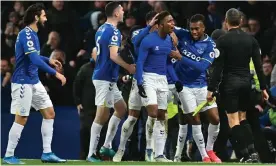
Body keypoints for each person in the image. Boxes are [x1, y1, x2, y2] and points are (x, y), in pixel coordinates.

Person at [3, 3, 67, 164]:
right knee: (22, 118)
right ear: (36, 17)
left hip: (33, 81)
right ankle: (9, 155)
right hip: (23, 82)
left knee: (49, 113)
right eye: (44, 15)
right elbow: (33, 59)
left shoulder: (33, 34)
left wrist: (49, 60)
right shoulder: (26, 34)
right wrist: (56, 74)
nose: (46, 18)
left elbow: (35, 56)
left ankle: (47, 153)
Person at [207, 8, 269, 163]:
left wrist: (211, 89)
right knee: (243, 118)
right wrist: (263, 88)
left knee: (233, 121)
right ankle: (253, 153)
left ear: (226, 22)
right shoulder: (251, 40)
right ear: (241, 21)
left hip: (230, 85)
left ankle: (247, 154)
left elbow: (217, 68)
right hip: (246, 84)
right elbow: (258, 66)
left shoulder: (222, 41)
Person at [87, 2, 136, 162]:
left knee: (121, 109)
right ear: (116, 13)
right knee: (101, 116)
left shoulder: (101, 29)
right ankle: (91, 154)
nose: (123, 12)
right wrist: (128, 67)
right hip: (105, 78)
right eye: (121, 10)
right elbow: (113, 56)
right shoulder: (114, 32)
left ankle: (107, 145)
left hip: (106, 77)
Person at [170, 14, 221, 163]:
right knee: (194, 119)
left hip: (202, 86)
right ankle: (204, 155)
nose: (193, 32)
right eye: (191, 29)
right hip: (184, 86)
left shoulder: (210, 45)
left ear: (204, 28)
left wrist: (180, 57)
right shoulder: (184, 34)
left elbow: (202, 67)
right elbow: (169, 26)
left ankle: (210, 149)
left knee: (215, 119)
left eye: (197, 29)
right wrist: (171, 33)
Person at [112, 11, 159, 162]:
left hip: (153, 81)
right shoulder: (138, 33)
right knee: (132, 118)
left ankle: (148, 152)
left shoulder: (161, 38)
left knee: (151, 117)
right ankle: (122, 151)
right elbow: (136, 39)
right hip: (135, 84)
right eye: (154, 21)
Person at [136, 11, 175, 162]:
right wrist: (140, 81)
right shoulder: (148, 40)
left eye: (173, 21)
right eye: (169, 21)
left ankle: (160, 154)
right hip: (148, 77)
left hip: (162, 79)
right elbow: (140, 62)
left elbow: (168, 63)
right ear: (160, 25)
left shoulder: (169, 41)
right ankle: (149, 149)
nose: (173, 24)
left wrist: (176, 80)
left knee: (162, 116)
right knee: (152, 112)